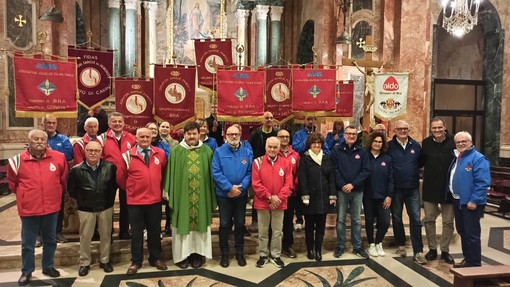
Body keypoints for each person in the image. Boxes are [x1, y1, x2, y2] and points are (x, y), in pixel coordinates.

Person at [7, 129, 68, 286]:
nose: (39, 141)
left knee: (50, 240)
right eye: (35, 139)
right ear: (29, 141)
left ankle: (48, 266)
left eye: (42, 139)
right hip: (29, 208)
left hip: (51, 207)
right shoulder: (17, 161)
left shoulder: (59, 158)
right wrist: (26, 196)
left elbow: (62, 180)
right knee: (28, 243)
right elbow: (13, 184)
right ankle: (27, 271)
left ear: (47, 142)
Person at [164, 122, 216, 269]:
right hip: (182, 197)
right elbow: (170, 174)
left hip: (202, 196)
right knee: (182, 224)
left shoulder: (207, 151)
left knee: (200, 226)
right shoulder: (176, 151)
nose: (192, 136)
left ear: (199, 134)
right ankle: (182, 256)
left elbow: (213, 175)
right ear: (184, 134)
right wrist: (168, 192)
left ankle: (198, 255)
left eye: (194, 133)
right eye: (189, 134)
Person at [118, 128, 168, 275]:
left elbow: (163, 173)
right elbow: (121, 178)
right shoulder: (127, 156)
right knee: (137, 233)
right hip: (135, 202)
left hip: (154, 200)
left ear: (152, 137)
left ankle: (155, 258)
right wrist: (134, 190)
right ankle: (136, 261)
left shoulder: (160, 153)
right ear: (136, 138)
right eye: (142, 137)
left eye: (148, 136)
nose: (145, 139)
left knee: (155, 231)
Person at [68, 141, 117, 276]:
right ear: (85, 151)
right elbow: (71, 190)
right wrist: (83, 199)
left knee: (106, 235)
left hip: (105, 207)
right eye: (90, 150)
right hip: (85, 208)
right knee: (85, 236)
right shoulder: (76, 170)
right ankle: (85, 263)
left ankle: (105, 260)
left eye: (96, 150)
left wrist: (108, 200)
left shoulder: (110, 167)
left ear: (101, 152)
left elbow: (114, 186)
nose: (93, 153)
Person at [212, 125, 253, 268]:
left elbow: (249, 172)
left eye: (236, 134)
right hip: (224, 195)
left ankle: (239, 253)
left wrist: (240, 188)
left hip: (240, 195)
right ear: (225, 136)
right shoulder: (218, 151)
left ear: (240, 134)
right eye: (231, 134)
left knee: (240, 224)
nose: (234, 137)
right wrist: (229, 188)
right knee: (224, 224)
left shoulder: (247, 152)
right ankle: (224, 254)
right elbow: (216, 172)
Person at [387, 120, 427, 264]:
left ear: (409, 130)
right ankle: (401, 245)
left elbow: (421, 162)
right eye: (400, 129)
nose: (403, 131)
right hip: (396, 188)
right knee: (397, 218)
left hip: (412, 188)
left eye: (405, 129)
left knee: (415, 219)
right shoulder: (389, 146)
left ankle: (418, 250)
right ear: (394, 131)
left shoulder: (416, 146)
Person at [449, 131, 490, 267]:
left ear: (470, 143)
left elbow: (482, 182)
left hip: (471, 202)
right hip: (458, 200)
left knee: (472, 235)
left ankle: (474, 264)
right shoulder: (459, 157)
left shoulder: (478, 159)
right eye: (458, 142)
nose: (460, 144)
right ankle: (468, 258)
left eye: (463, 141)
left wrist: (474, 200)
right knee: (462, 231)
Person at [252, 137, 293, 268]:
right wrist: (270, 197)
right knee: (263, 231)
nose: (272, 149)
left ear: (279, 148)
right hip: (263, 202)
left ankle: (275, 255)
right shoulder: (257, 162)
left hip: (279, 203)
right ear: (265, 147)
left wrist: (279, 198)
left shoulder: (286, 163)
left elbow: (288, 184)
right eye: (270, 146)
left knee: (277, 231)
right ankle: (263, 255)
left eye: (275, 147)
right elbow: (256, 184)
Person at [419, 117, 456, 264]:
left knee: (448, 221)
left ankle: (445, 249)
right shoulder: (426, 143)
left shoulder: (454, 141)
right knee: (429, 220)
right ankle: (432, 248)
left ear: (444, 127)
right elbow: (420, 162)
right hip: (430, 187)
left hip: (449, 188)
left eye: (440, 127)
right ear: (430, 129)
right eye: (434, 128)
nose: (437, 130)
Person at [331, 125, 370, 259]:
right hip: (341, 190)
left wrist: (353, 184)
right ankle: (340, 245)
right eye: (349, 134)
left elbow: (365, 170)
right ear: (344, 135)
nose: (351, 136)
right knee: (341, 219)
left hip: (357, 190)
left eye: (354, 134)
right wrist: (343, 184)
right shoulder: (336, 150)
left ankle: (357, 246)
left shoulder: (362, 151)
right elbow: (334, 169)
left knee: (356, 220)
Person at [298, 132, 336, 262]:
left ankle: (318, 249)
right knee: (309, 226)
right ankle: (310, 249)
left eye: (318, 143)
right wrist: (304, 195)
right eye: (314, 143)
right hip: (309, 198)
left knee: (321, 226)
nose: (316, 145)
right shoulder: (305, 158)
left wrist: (332, 195)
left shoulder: (326, 158)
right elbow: (302, 179)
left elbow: (331, 178)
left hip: (323, 197)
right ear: (310, 144)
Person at [99, 112, 136, 240]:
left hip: (126, 175)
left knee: (126, 205)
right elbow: (99, 158)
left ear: (124, 123)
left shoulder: (131, 138)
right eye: (114, 121)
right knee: (107, 205)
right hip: (108, 177)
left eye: (120, 121)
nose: (117, 124)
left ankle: (124, 230)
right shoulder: (102, 138)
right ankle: (107, 231)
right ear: (109, 123)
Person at [42, 114, 73, 244]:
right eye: (48, 123)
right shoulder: (39, 138)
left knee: (58, 207)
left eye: (53, 123)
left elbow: (69, 156)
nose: (51, 125)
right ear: (43, 124)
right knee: (41, 207)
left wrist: (50, 153)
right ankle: (40, 234)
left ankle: (57, 232)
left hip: (58, 179)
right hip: (41, 179)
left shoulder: (64, 139)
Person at [363, 132, 394, 257]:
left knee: (385, 221)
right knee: (369, 220)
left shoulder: (387, 159)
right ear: (371, 142)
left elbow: (391, 178)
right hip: (368, 195)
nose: (377, 144)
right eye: (375, 141)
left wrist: (389, 196)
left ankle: (378, 242)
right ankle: (371, 244)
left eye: (380, 142)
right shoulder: (364, 156)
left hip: (383, 196)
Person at [247, 112, 278, 232]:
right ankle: (255, 220)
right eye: (267, 118)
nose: (269, 120)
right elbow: (250, 150)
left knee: (272, 192)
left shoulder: (275, 134)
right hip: (259, 167)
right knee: (258, 195)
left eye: (271, 118)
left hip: (273, 166)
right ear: (262, 120)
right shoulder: (255, 134)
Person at [277, 129, 300, 259]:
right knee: (275, 222)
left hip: (290, 194)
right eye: (282, 136)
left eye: (287, 136)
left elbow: (297, 175)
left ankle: (287, 245)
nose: (285, 139)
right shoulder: (273, 152)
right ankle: (273, 245)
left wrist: (292, 188)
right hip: (276, 195)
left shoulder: (295, 155)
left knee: (288, 221)